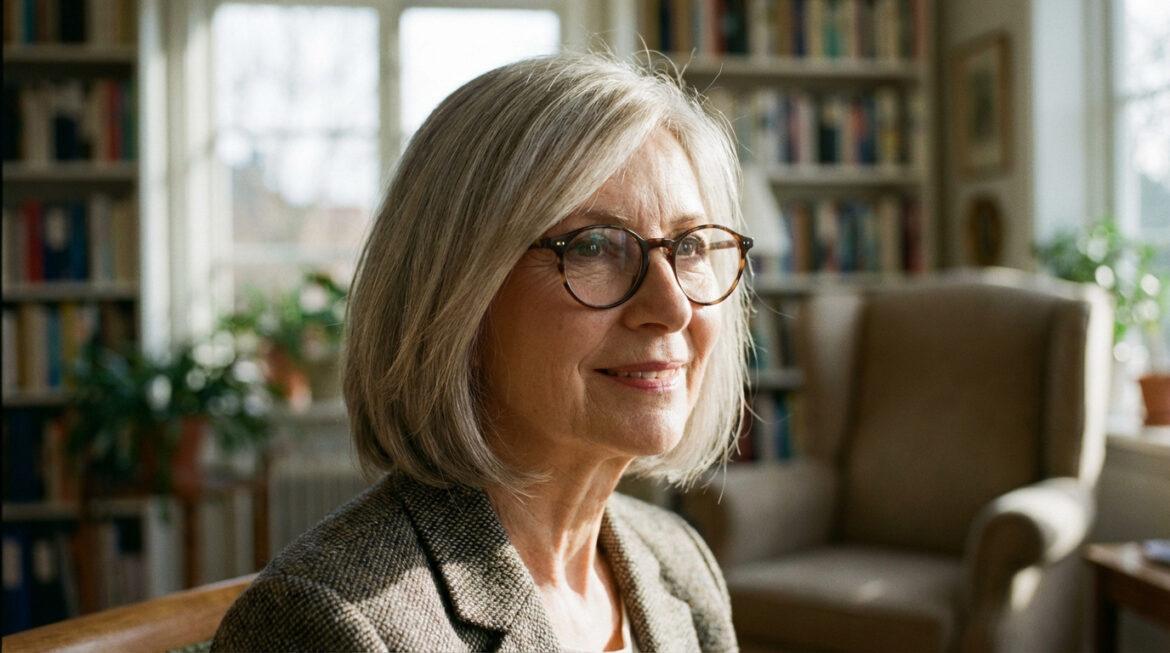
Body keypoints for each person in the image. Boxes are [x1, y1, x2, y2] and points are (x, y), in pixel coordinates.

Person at [211, 52, 752, 652]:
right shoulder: (325, 621)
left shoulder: (678, 560)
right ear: (454, 293)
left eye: (691, 246)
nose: (673, 308)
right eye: (595, 247)